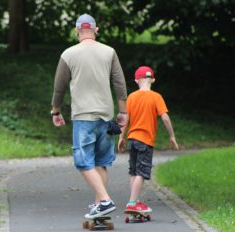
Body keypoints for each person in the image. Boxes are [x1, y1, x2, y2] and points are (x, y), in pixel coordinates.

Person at [50, 14, 128, 219]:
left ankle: (104, 200)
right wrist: (123, 111)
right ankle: (99, 207)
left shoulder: (68, 54)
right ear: (96, 30)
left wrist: (55, 110)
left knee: (83, 162)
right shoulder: (109, 52)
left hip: (84, 116)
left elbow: (59, 88)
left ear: (77, 31)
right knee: (101, 162)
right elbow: (119, 84)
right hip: (105, 115)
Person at [118, 66, 179, 213]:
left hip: (132, 139)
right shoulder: (156, 97)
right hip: (145, 141)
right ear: (153, 79)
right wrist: (172, 136)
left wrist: (121, 136)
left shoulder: (131, 97)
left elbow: (125, 119)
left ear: (136, 80)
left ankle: (135, 201)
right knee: (141, 172)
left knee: (133, 171)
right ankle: (132, 203)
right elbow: (164, 117)